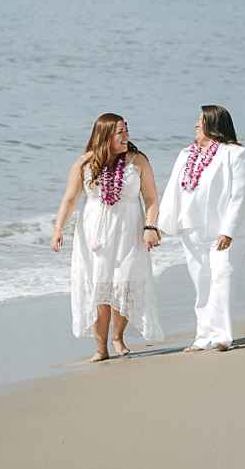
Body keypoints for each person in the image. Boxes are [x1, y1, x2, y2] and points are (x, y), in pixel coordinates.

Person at [51, 113, 164, 362]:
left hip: (129, 230)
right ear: (105, 136)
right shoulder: (84, 163)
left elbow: (152, 198)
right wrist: (59, 227)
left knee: (124, 283)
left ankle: (118, 337)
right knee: (99, 286)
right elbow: (70, 198)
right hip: (94, 232)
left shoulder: (138, 160)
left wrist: (150, 226)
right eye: (120, 132)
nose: (126, 136)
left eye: (126, 130)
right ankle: (101, 348)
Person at [158, 105, 245, 352]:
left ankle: (222, 337)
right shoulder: (186, 154)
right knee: (202, 285)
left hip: (225, 232)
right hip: (192, 229)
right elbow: (172, 191)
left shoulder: (236, 154)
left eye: (201, 120)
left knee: (223, 278)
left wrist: (228, 230)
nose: (196, 124)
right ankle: (202, 338)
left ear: (214, 125)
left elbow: (239, 195)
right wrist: (159, 226)